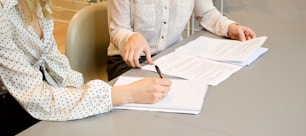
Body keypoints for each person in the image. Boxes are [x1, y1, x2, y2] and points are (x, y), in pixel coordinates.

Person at [0, 0, 172, 136]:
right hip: (12, 108)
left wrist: (75, 90)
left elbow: (52, 58)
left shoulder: (36, 4)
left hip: (36, 92)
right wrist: (127, 94)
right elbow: (37, 98)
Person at [107, 0, 257, 80]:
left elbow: (207, 13)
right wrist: (131, 37)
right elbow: (118, 29)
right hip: (129, 62)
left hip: (171, 58)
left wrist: (229, 27)